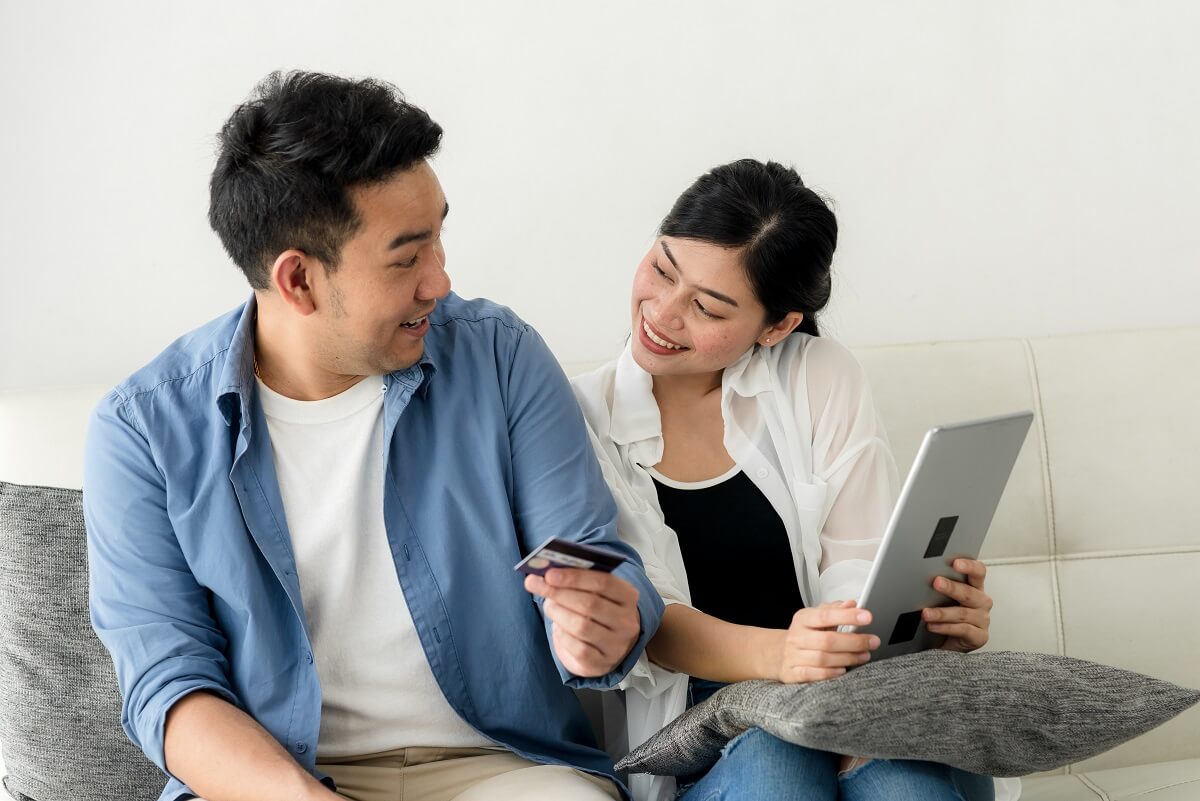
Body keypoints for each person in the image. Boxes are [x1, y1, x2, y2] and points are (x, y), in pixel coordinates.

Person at [83, 71, 663, 801]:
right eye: (406, 257)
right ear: (298, 281)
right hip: (278, 783)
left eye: (440, 238)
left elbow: (600, 561)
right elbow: (167, 684)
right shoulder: (140, 430)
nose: (440, 281)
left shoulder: (500, 355)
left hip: (503, 766)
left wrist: (609, 622)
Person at [567, 159, 1016, 801]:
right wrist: (785, 659)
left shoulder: (818, 375)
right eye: (663, 269)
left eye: (708, 307)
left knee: (903, 784)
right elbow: (646, 622)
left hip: (849, 700)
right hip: (703, 729)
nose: (663, 313)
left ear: (777, 327)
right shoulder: (579, 417)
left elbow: (859, 569)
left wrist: (923, 626)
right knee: (782, 768)